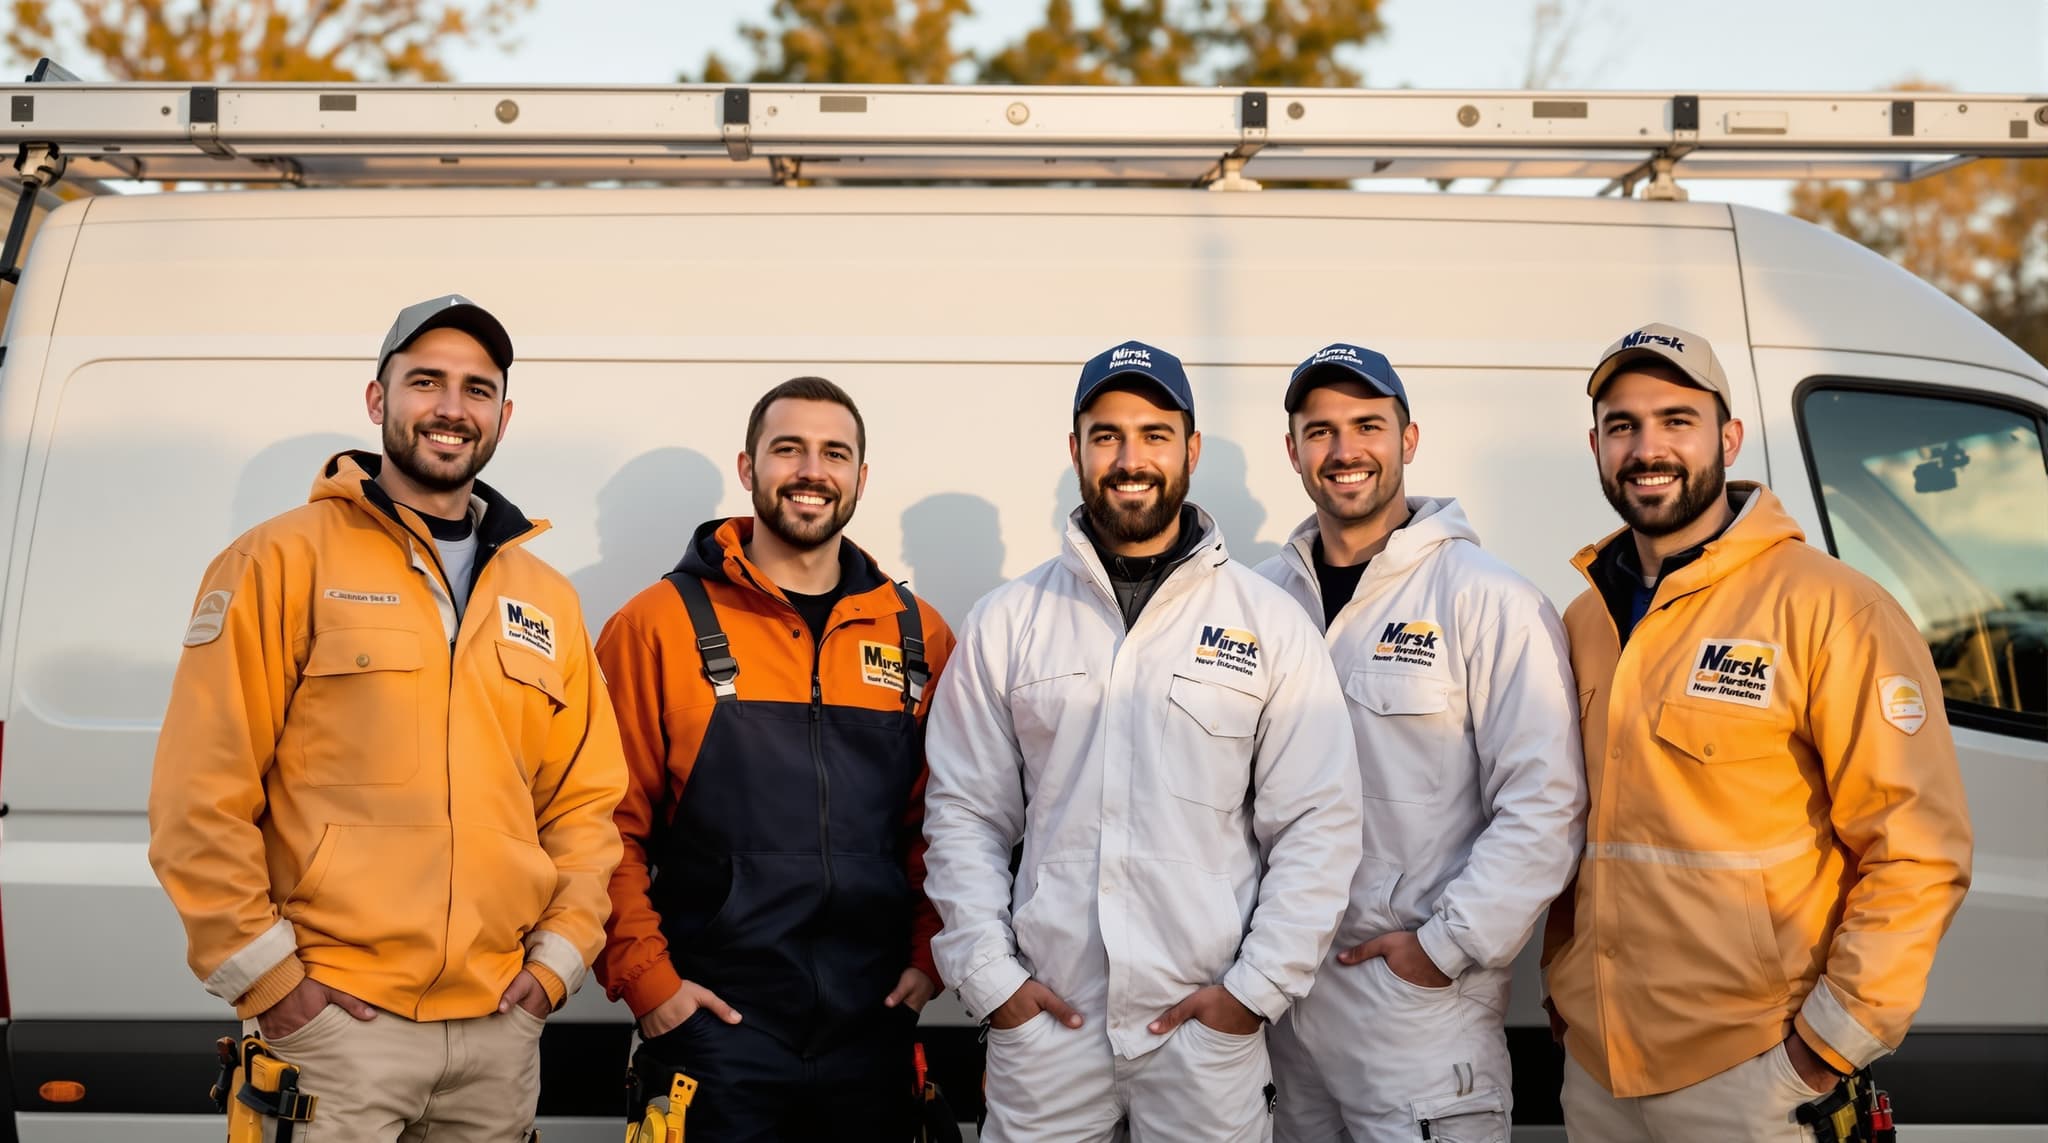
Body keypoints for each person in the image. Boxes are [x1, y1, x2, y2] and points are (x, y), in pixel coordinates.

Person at [148, 294, 628, 1141]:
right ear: (378, 402)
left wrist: (556, 963)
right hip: (336, 1030)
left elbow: (584, 805)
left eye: (478, 389)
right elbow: (201, 792)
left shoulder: (545, 597)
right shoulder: (280, 558)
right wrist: (271, 984)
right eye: (426, 382)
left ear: (504, 416)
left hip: (497, 1034)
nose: (451, 408)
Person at [923, 340, 1362, 1143]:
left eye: (1155, 434)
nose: (1131, 458)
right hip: (1049, 1025)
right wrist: (994, 983)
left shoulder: (1267, 622)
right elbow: (964, 816)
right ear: (1076, 451)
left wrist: (1253, 992)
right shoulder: (1009, 621)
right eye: (1107, 434)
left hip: (1207, 1032)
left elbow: (1318, 824)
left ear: (1190, 450)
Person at [1544, 323, 1975, 1141]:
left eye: (1677, 419)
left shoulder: (1830, 609)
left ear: (1729, 437)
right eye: (1622, 425)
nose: (1648, 447)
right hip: (1598, 1076)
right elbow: (1575, 826)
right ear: (1596, 446)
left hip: (1751, 1078)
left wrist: (1821, 1052)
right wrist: (1561, 989)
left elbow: (1918, 851)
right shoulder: (1584, 618)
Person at [594, 376, 955, 1141]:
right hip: (718, 1036)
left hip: (873, 1035)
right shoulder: (657, 624)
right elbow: (601, 827)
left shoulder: (918, 635)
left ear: (861, 477)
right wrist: (651, 985)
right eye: (787, 448)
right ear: (748, 465)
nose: (811, 470)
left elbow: (948, 826)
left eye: (834, 452)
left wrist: (929, 956)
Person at [1255, 343, 1586, 1142]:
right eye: (1321, 429)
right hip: (1282, 1015)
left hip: (1420, 1019)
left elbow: (1546, 806)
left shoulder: (1487, 598)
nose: (1344, 450)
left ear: (1408, 439)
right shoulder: (1258, 599)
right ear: (1293, 449)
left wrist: (1445, 947)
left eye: (1368, 424)